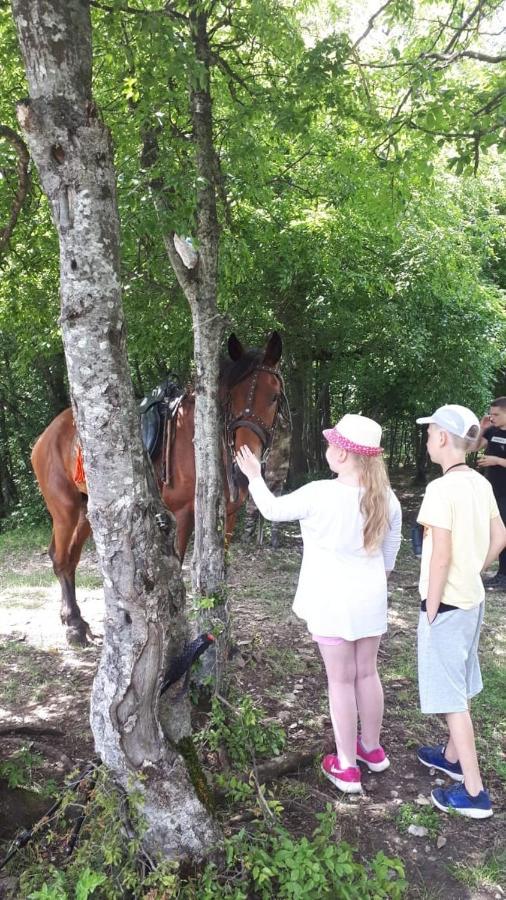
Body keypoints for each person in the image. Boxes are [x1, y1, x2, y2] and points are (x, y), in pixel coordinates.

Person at [236, 414, 402, 794]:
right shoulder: (386, 498)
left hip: (332, 602)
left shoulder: (319, 494)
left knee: (341, 681)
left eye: (331, 443)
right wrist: (373, 581)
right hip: (371, 600)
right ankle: (372, 750)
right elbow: (389, 555)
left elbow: (272, 511)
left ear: (342, 454)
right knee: (367, 673)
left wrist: (254, 476)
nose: (328, 448)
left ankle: (346, 766)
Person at [415, 404, 506, 819]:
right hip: (473, 599)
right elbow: (500, 536)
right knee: (462, 680)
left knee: (453, 699)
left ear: (442, 438)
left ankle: (474, 791)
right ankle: (450, 758)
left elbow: (440, 556)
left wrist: (431, 607)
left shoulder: (440, 490)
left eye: (430, 430)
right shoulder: (478, 483)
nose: (427, 437)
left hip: (448, 606)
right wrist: (476, 569)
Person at [242, 411, 291, 548]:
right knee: (274, 500)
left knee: (254, 501)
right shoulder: (284, 423)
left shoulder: (272, 421)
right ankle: (272, 538)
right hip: (278, 469)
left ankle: (248, 536)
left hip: (268, 469)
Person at [477, 397, 506, 589]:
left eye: (496, 414)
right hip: (492, 489)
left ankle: (504, 576)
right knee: (495, 531)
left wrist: (496, 460)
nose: (492, 417)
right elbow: (472, 446)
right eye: (491, 413)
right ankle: (500, 574)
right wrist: (481, 427)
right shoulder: (491, 430)